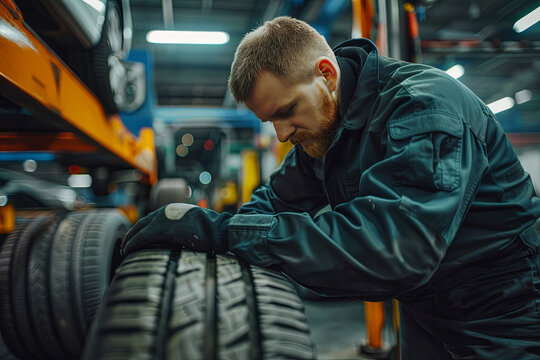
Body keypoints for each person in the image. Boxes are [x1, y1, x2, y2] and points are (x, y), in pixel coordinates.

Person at [121, 16, 540, 359]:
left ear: (326, 74)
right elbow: (278, 197)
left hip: (504, 311)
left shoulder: (424, 110)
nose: (282, 134)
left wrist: (227, 233)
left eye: (286, 112)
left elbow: (393, 250)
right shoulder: (326, 124)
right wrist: (212, 232)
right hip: (428, 307)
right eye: (271, 121)